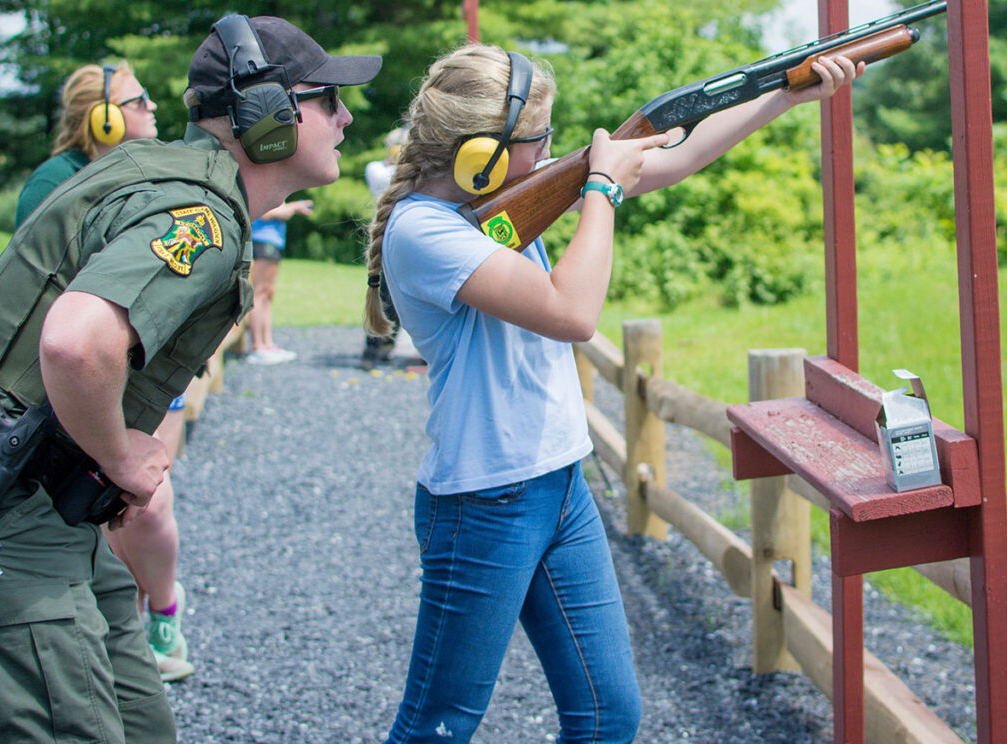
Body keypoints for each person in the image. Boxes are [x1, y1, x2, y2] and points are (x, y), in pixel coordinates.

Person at [363, 42, 862, 743]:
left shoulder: (495, 201)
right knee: (438, 726)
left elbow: (675, 159)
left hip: (557, 483)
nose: (551, 153)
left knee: (607, 717)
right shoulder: (424, 230)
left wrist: (784, 95)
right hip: (484, 502)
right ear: (483, 155)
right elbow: (572, 312)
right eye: (539, 141)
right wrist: (599, 189)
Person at [0, 14, 381, 744]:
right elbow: (75, 344)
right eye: (328, 99)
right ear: (271, 117)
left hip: (41, 500)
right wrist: (120, 454)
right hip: (10, 512)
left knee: (139, 719)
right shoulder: (200, 216)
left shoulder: (172, 178)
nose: (347, 115)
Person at [12, 62, 195, 681]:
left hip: (137, 369)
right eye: (139, 102)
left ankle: (161, 615)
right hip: (76, 385)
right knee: (130, 504)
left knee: (146, 505)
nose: (152, 111)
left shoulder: (148, 178)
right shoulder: (56, 185)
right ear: (105, 118)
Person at [15, 61, 159, 226]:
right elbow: (27, 251)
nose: (151, 106)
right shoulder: (52, 180)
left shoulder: (139, 174)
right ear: (104, 116)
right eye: (137, 101)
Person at [361, 125, 409, 368]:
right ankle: (374, 349)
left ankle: (385, 347)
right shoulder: (377, 170)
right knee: (385, 299)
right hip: (386, 239)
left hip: (399, 240)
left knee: (397, 299)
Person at [247, 200, 313, 364]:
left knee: (268, 293)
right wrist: (286, 210)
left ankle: (268, 344)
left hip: (273, 242)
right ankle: (257, 346)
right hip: (262, 240)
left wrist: (291, 208)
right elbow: (260, 209)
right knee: (260, 292)